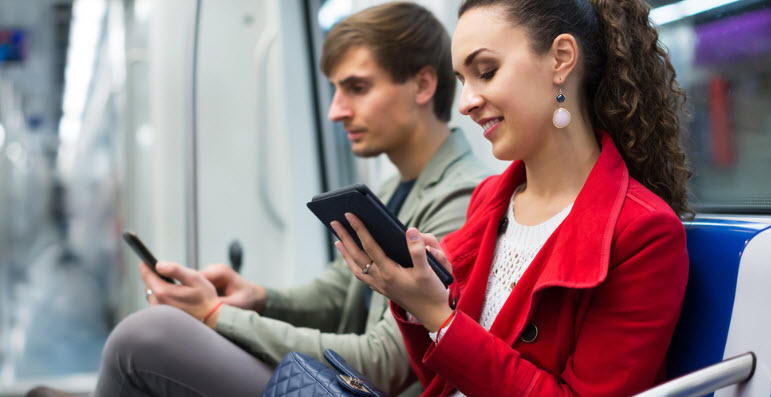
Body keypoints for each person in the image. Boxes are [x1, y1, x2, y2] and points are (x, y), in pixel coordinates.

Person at [26, 3, 490, 397]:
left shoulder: (460, 198)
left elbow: (386, 362)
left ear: (423, 86)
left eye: (357, 88)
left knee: (144, 337)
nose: (335, 110)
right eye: (333, 90)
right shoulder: (396, 187)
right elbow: (333, 295)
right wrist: (257, 299)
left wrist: (215, 316)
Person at [332, 0, 693, 396]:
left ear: (561, 59)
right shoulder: (489, 199)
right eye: (463, 80)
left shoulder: (644, 234)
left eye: (486, 72)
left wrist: (439, 317)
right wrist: (419, 305)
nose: (466, 102)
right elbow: (440, 381)